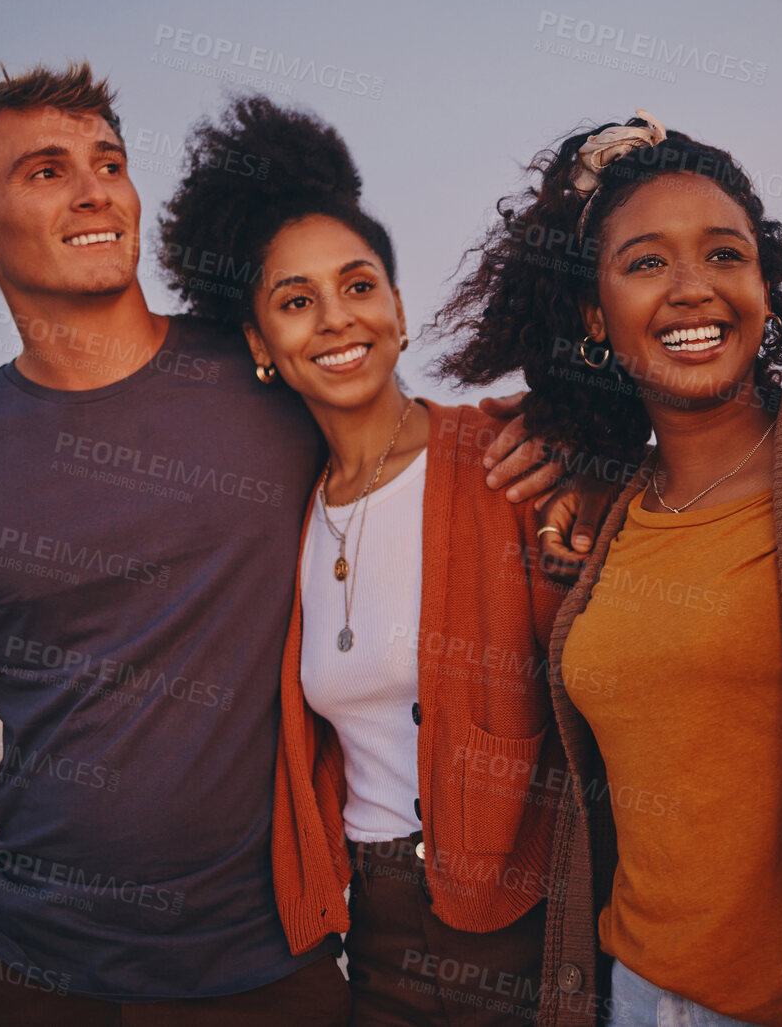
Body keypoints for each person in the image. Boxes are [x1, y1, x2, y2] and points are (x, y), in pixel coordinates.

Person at [0, 64, 550, 1027]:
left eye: (109, 162)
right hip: (41, 973)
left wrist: (552, 436)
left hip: (283, 963)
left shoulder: (269, 380)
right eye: (47, 171)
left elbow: (408, 436)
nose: (96, 188)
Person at [437, 111, 782, 1026]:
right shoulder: (609, 512)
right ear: (592, 316)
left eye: (725, 254)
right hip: (627, 992)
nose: (693, 288)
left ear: (763, 285)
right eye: (645, 263)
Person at [158, 96, 567, 1026]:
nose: (336, 319)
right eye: (296, 302)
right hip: (372, 925)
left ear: (398, 306)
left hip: (520, 909)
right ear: (262, 345)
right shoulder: (290, 513)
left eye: (358, 285)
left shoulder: (509, 458)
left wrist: (580, 442)